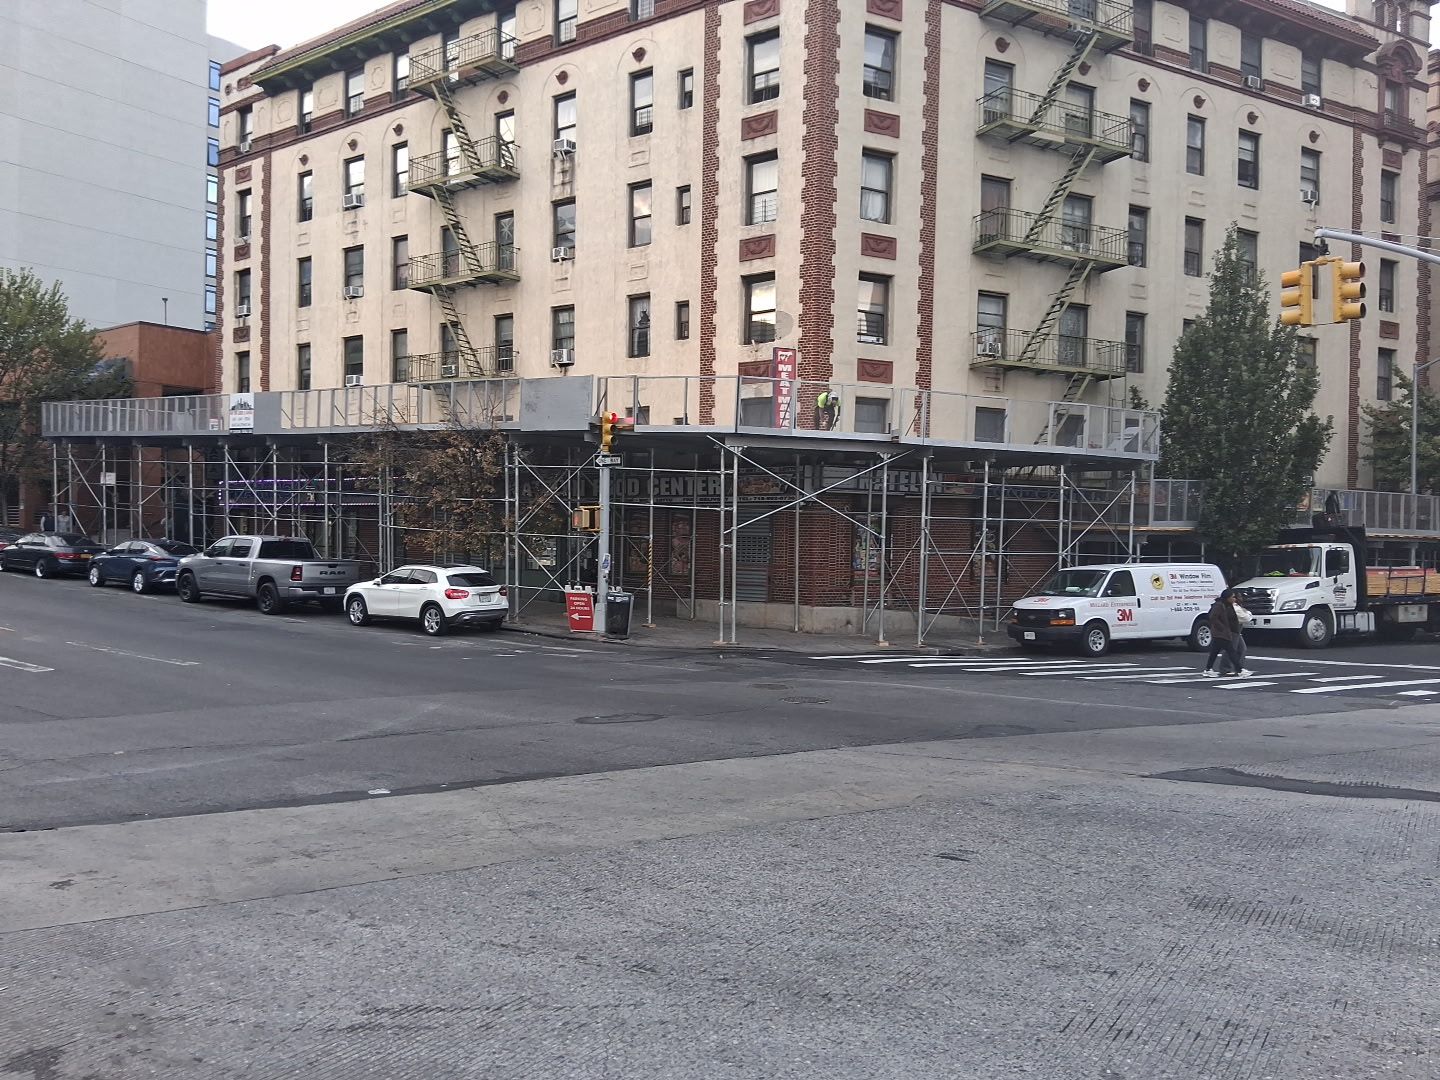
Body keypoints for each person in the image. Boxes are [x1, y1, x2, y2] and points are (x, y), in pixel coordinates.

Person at [1202, 588, 1253, 678]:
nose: (1234, 599)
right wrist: (1222, 628)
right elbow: (1213, 617)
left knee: (1215, 652)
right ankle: (1240, 670)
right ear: (1227, 597)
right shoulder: (1219, 605)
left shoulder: (1227, 605)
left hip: (1222, 633)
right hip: (1222, 633)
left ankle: (1208, 669)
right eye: (1232, 597)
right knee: (1231, 651)